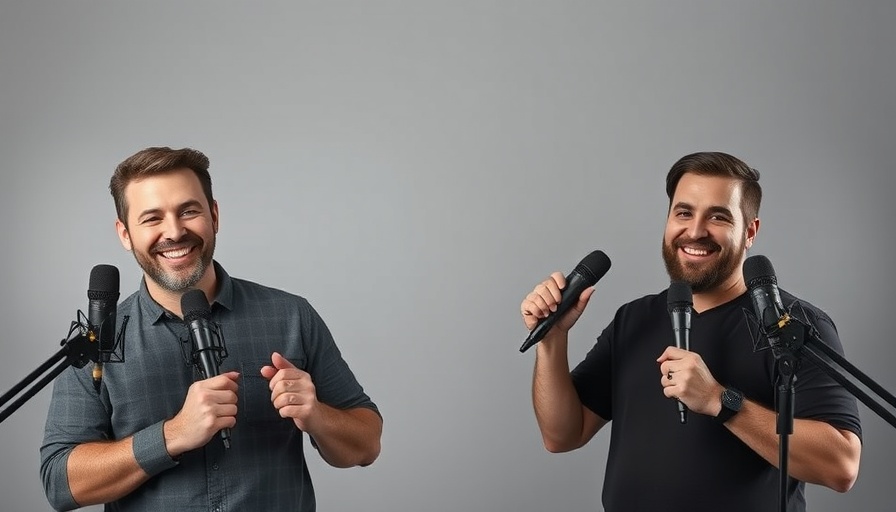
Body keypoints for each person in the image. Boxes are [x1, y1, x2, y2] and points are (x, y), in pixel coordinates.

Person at [40, 147, 382, 511]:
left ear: (214, 215)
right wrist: (171, 435)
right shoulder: (98, 341)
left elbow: (366, 445)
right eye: (152, 218)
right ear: (125, 235)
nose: (174, 231)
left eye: (188, 211)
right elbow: (61, 483)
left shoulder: (291, 316)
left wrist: (316, 414)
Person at [521, 152, 862, 511]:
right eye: (683, 213)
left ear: (750, 232)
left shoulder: (792, 325)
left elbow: (841, 467)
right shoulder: (634, 319)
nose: (695, 231)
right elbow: (562, 434)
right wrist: (553, 339)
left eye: (718, 216)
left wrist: (721, 401)